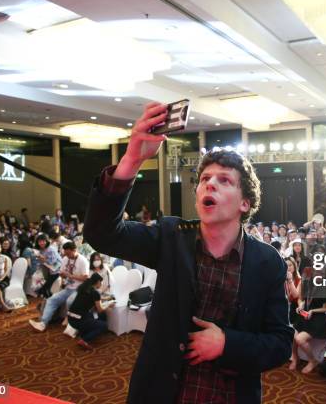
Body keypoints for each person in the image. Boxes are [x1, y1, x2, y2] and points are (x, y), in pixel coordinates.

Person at [83, 102, 292, 404]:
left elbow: (280, 343)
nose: (210, 184)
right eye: (205, 179)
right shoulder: (172, 238)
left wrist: (226, 344)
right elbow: (102, 234)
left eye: (224, 180)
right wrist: (132, 159)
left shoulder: (266, 261)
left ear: (245, 203)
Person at [29, 241, 89, 332]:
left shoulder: (83, 261)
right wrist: (62, 275)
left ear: (75, 250)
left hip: (79, 289)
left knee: (70, 301)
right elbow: (62, 272)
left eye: (68, 253)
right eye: (65, 253)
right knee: (51, 299)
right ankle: (43, 323)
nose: (66, 255)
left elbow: (85, 278)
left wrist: (69, 275)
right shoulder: (65, 259)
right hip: (68, 287)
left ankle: (70, 322)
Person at [290, 259, 326, 374]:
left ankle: (312, 360)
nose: (318, 274)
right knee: (293, 333)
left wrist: (313, 311)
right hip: (305, 314)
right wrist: (301, 305)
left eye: (321, 273)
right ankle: (295, 357)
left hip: (318, 317)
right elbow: (300, 298)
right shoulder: (307, 282)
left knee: (300, 338)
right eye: (317, 271)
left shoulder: (325, 286)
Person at [67, 272, 116, 350]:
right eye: (101, 282)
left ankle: (84, 333)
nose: (101, 284)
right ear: (98, 282)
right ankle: (84, 340)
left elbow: (95, 299)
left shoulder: (84, 288)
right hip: (79, 321)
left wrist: (107, 299)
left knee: (93, 315)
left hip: (70, 319)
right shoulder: (95, 292)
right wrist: (109, 305)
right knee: (104, 325)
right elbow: (100, 309)